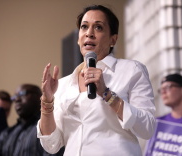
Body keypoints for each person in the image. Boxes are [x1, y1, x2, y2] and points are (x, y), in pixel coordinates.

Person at [37, 5, 156, 156]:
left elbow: (147, 128)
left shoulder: (131, 70)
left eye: (98, 27)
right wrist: (47, 101)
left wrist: (107, 94)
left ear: (113, 39)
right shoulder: (63, 84)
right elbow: (51, 145)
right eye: (84, 27)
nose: (89, 33)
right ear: (79, 39)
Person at [0, 84, 64, 156]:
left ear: (39, 97)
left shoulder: (49, 129)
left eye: (22, 94)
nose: (17, 99)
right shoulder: (6, 134)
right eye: (14, 97)